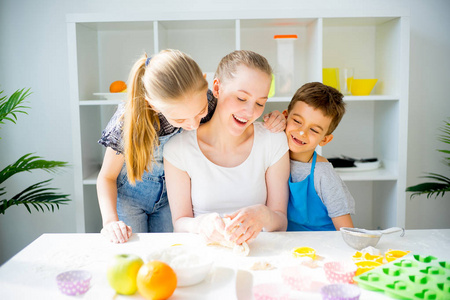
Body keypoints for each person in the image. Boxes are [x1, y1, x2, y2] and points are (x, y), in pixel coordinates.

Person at [97, 50, 286, 243]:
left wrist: (276, 120)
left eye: (201, 112)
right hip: (132, 197)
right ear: (152, 105)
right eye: (180, 119)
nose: (194, 125)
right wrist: (110, 221)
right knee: (131, 248)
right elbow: (106, 176)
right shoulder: (130, 121)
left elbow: (235, 113)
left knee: (165, 253)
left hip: (167, 201)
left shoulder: (209, 99)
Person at [163, 50, 290, 246]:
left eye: (260, 103)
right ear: (217, 87)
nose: (250, 112)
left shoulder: (273, 142)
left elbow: (281, 222)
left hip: (261, 254)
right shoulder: (178, 150)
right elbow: (180, 222)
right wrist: (201, 225)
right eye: (241, 98)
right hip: (204, 252)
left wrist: (265, 215)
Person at [282, 82, 355, 231]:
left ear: (324, 139)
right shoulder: (273, 157)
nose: (302, 132)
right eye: (297, 121)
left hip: (323, 247)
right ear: (285, 117)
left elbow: (347, 230)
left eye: (314, 130)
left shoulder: (322, 173)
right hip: (288, 247)